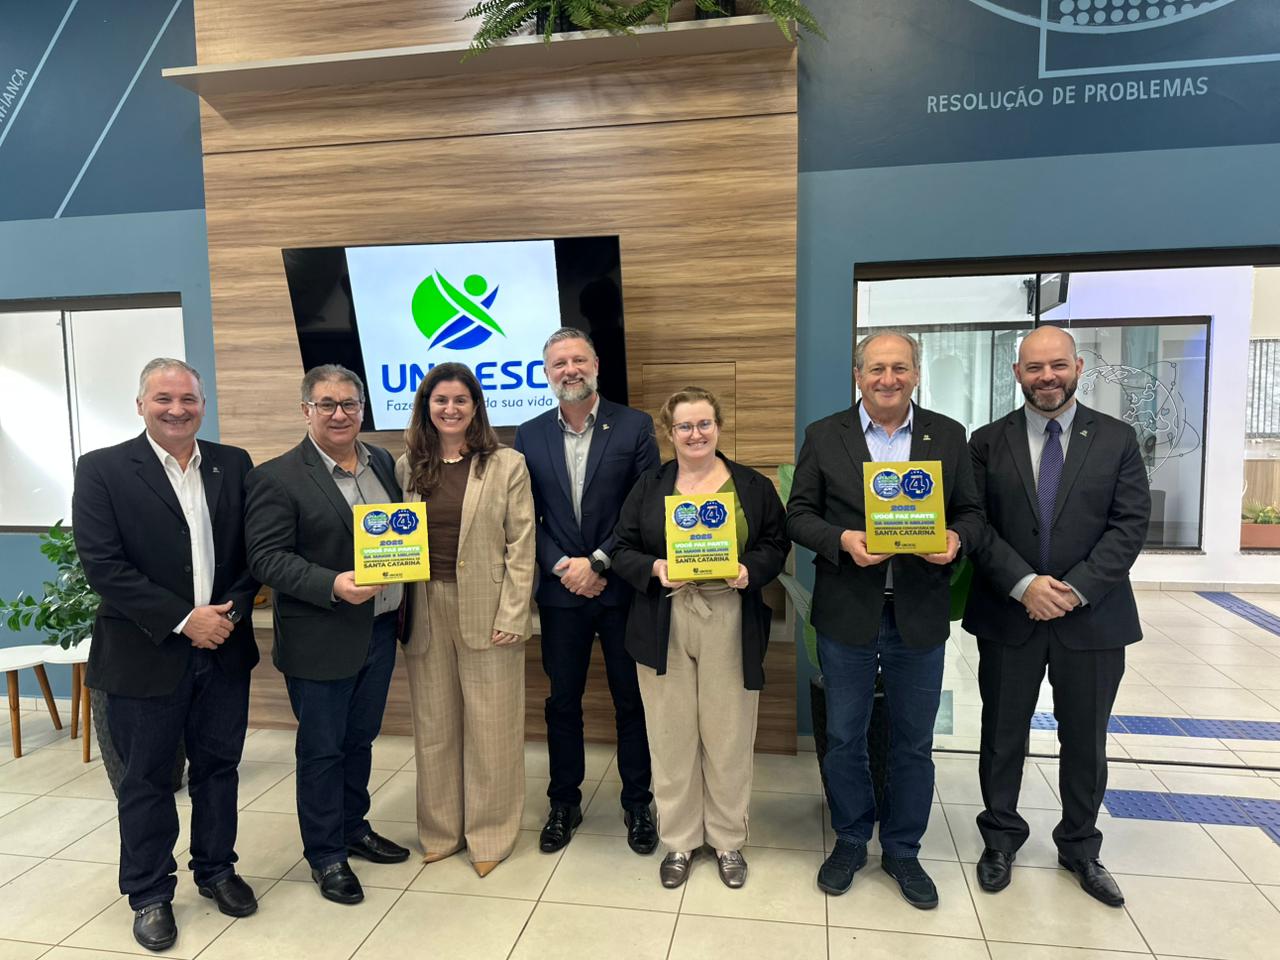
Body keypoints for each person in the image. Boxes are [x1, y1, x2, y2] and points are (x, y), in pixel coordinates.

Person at [786, 331, 985, 909]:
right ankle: (851, 839)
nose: (888, 378)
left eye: (900, 367)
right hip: (848, 612)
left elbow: (972, 513)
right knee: (845, 737)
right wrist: (842, 540)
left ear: (916, 374)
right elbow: (799, 514)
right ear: (858, 375)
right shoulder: (825, 435)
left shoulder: (948, 435)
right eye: (876, 368)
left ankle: (902, 849)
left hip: (918, 614)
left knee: (914, 742)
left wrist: (956, 539)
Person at [72, 358, 260, 952]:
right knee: (147, 779)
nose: (177, 409)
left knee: (218, 770)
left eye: (188, 399)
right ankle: (150, 893)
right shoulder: (102, 469)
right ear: (141, 405)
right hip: (145, 653)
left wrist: (225, 615)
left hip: (224, 648)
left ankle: (216, 870)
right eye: (163, 399)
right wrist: (185, 620)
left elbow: (253, 553)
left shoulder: (233, 463)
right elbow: (104, 566)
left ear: (202, 404)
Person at [965, 325, 1149, 907]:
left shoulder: (1117, 438)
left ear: (1077, 368)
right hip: (1009, 613)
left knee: (1086, 740)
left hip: (1092, 618)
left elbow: (1129, 525)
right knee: (1002, 735)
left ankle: (1080, 848)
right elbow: (976, 525)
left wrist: (1073, 590)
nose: (1047, 377)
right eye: (1035, 367)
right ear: (1017, 373)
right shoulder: (985, 442)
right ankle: (1000, 840)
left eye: (1058, 365)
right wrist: (1025, 585)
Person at [244, 364, 410, 906]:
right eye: (327, 404)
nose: (340, 414)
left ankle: (353, 827)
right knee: (321, 750)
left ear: (362, 409)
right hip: (320, 636)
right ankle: (325, 854)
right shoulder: (276, 477)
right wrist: (332, 584)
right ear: (306, 411)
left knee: (359, 740)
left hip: (379, 630)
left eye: (349, 404)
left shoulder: (381, 461)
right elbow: (266, 558)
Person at [612, 386, 788, 890]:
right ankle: (680, 841)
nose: (695, 434)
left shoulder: (752, 485)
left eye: (704, 424)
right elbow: (622, 548)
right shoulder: (650, 485)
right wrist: (655, 567)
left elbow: (776, 543)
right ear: (670, 433)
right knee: (670, 736)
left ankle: (728, 840)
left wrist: (748, 570)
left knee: (728, 733)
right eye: (684, 426)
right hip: (663, 616)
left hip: (729, 612)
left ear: (719, 426)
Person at [514, 328, 659, 856]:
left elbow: (644, 506)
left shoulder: (635, 426)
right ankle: (564, 803)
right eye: (559, 363)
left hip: (621, 588)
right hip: (560, 594)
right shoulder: (528, 435)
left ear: (596, 365)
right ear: (546, 373)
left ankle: (638, 803)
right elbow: (525, 514)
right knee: (562, 702)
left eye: (578, 360)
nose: (570, 370)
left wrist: (597, 561)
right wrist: (560, 565)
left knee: (631, 701)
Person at [397, 362, 536, 877]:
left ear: (475, 406)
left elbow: (522, 543)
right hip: (425, 608)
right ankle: (440, 832)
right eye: (440, 400)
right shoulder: (407, 465)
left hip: (489, 609)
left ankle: (490, 834)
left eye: (460, 400)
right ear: (426, 407)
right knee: (434, 728)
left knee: (492, 728)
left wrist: (515, 612)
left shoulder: (507, 464)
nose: (450, 409)